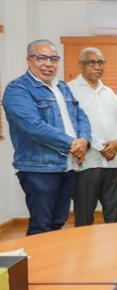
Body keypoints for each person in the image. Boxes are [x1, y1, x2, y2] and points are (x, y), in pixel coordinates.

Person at [2, 39, 91, 235]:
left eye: (53, 59)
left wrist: (84, 140)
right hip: (39, 169)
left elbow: (81, 116)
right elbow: (33, 127)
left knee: (58, 223)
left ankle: (53, 265)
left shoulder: (62, 87)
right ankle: (37, 266)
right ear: (29, 60)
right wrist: (72, 144)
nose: (48, 64)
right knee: (41, 226)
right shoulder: (17, 89)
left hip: (68, 166)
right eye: (41, 58)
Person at [68, 48, 117, 226]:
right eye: (91, 62)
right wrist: (101, 147)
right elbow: (73, 124)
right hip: (87, 164)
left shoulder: (109, 92)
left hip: (114, 164)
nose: (97, 67)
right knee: (84, 217)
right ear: (81, 65)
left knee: (116, 217)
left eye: (100, 62)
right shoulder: (69, 90)